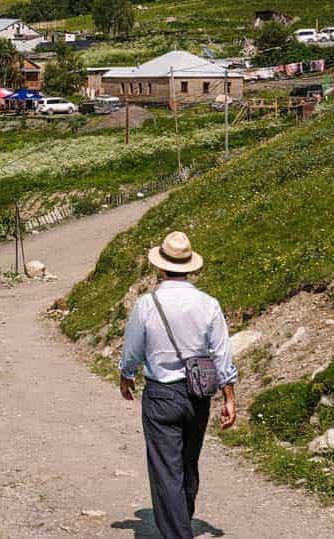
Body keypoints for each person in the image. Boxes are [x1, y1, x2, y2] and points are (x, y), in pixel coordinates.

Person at [118, 231, 238, 539]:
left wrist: (126, 375)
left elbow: (133, 348)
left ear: (161, 267)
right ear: (190, 267)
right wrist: (229, 398)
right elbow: (222, 353)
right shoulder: (209, 304)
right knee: (188, 462)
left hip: (161, 394)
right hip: (198, 394)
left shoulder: (147, 304)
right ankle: (182, 520)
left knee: (165, 468)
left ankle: (177, 532)